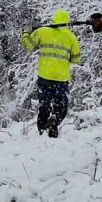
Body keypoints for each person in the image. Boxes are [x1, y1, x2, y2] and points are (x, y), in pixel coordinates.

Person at [21, 9, 81, 138]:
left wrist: (26, 32)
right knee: (61, 105)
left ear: (53, 19)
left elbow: (28, 46)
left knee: (44, 104)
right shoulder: (71, 37)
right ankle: (54, 122)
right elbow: (76, 58)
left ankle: (42, 130)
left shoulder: (43, 32)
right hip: (61, 78)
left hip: (45, 76)